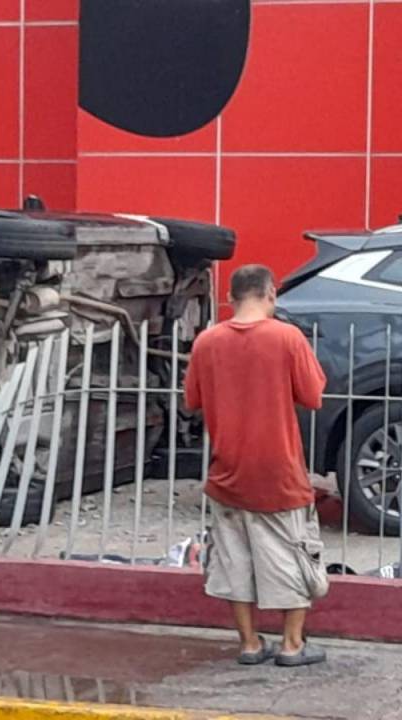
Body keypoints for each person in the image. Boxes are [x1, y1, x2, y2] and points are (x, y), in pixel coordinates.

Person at [184, 264, 328, 667]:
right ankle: (292, 644)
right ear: (271, 293)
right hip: (279, 473)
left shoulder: (207, 342)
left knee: (234, 561)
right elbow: (314, 396)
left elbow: (191, 400)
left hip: (226, 471)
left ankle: (249, 644)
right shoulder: (287, 338)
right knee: (292, 557)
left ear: (231, 297)